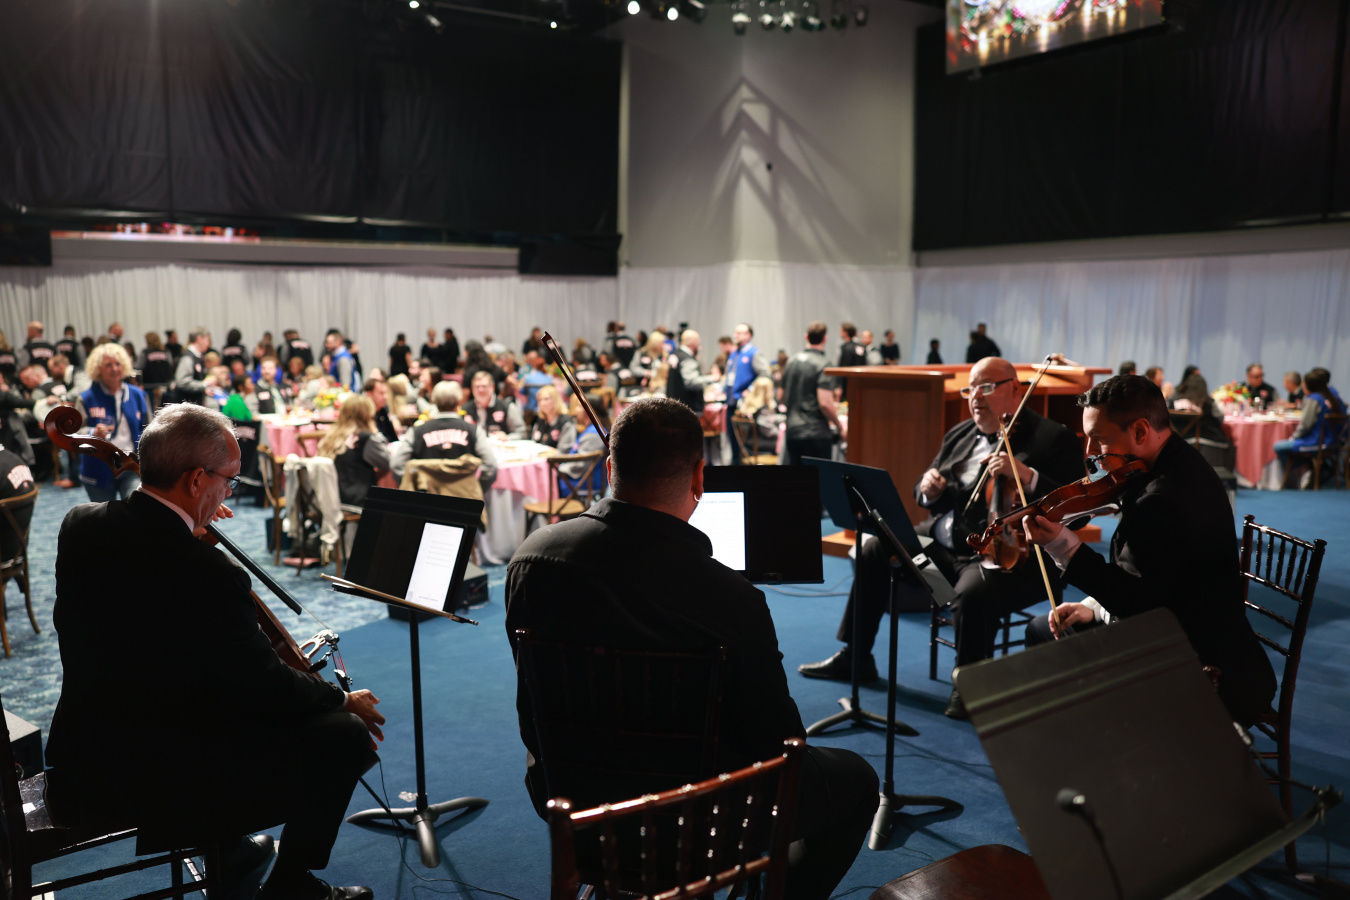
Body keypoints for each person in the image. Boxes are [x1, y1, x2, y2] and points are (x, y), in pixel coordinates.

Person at [506, 397, 877, 900]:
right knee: (858, 782)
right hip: (696, 821)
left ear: (610, 468)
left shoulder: (530, 561)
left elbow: (532, 704)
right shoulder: (732, 598)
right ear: (700, 478)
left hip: (574, 800)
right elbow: (779, 744)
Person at [44, 403, 382, 900]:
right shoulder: (208, 574)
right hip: (158, 775)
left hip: (84, 755)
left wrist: (187, 520)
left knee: (192, 685)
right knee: (345, 735)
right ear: (197, 479)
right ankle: (291, 888)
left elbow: (148, 607)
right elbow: (264, 683)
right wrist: (340, 698)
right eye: (229, 480)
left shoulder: (79, 525)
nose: (230, 492)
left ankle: (233, 851)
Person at [798, 357, 1085, 719]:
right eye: (970, 390)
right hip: (944, 554)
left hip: (1009, 557)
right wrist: (927, 489)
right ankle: (856, 657)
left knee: (971, 592)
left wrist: (1029, 477)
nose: (975, 397)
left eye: (986, 387)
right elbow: (924, 487)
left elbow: (1078, 512)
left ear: (1015, 389)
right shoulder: (961, 434)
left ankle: (969, 685)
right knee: (874, 549)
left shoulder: (1053, 438)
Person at [1021, 375, 1277, 728]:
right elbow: (1155, 579)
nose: (1090, 453)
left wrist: (1063, 546)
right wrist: (1093, 607)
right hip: (1190, 634)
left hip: (1200, 668)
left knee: (1042, 634)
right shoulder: (1176, 460)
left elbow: (1138, 602)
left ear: (1141, 431)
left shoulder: (1163, 497)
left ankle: (1094, 742)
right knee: (1045, 628)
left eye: (1100, 438)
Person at [73, 343, 153, 502]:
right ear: (98, 369)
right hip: (98, 468)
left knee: (134, 508)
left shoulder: (138, 395)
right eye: (108, 365)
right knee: (104, 515)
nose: (114, 369)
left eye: (118, 364)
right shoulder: (86, 398)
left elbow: (150, 430)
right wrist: (93, 432)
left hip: (131, 466)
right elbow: (75, 433)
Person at [389, 381, 497, 491]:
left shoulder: (416, 432)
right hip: (464, 497)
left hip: (427, 497)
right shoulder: (473, 431)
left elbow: (397, 465)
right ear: (459, 401)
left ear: (434, 401)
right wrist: (475, 488)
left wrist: (416, 488)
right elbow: (491, 466)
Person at [781, 321, 844, 466]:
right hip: (816, 433)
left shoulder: (791, 362)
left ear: (806, 337)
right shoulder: (824, 364)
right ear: (825, 339)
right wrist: (839, 426)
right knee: (818, 478)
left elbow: (780, 396)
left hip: (792, 432)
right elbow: (825, 403)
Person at [1272, 368, 1347, 481]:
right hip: (1335, 439)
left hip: (1319, 441)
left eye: (1303, 383)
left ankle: (1302, 471)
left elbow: (1305, 425)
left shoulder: (1314, 399)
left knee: (1278, 446)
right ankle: (1315, 468)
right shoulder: (1331, 395)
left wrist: (1293, 437)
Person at [317, 394, 390, 507]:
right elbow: (388, 463)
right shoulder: (364, 438)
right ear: (367, 416)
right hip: (357, 501)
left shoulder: (331, 436)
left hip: (331, 500)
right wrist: (375, 432)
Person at [724, 323, 770, 464]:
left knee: (742, 442)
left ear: (748, 335)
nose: (735, 335)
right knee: (732, 438)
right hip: (731, 401)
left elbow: (765, 374)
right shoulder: (734, 354)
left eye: (739, 333)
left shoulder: (753, 353)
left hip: (744, 405)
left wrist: (750, 390)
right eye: (735, 332)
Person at [461, 370, 526, 439]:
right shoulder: (464, 409)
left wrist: (507, 437)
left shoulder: (507, 407)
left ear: (492, 387)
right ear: (472, 388)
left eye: (484, 386)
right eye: (477, 386)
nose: (480, 390)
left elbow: (522, 432)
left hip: (500, 445)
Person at [666, 330, 718, 414]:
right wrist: (713, 378)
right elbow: (691, 382)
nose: (699, 347)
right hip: (687, 408)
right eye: (698, 343)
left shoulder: (676, 354)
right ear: (693, 342)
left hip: (674, 405)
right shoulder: (687, 359)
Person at [173, 328, 217, 406]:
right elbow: (182, 382)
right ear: (199, 339)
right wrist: (204, 384)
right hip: (186, 407)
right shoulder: (188, 358)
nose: (208, 344)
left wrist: (204, 390)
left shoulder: (197, 357)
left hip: (193, 406)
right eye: (207, 340)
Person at [527, 385, 576, 449]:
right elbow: (533, 442)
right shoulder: (540, 420)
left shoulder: (566, 422)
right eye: (540, 400)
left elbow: (565, 449)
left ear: (556, 400)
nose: (542, 403)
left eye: (546, 399)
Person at [136, 331, 176, 397]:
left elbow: (139, 366)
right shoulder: (166, 351)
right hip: (165, 384)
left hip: (149, 385)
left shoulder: (145, 353)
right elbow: (171, 365)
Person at [364, 377, 398, 443]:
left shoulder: (383, 409)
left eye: (386, 393)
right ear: (369, 394)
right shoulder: (364, 414)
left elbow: (392, 436)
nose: (385, 397)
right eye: (381, 393)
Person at [519, 350, 553, 414]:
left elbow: (522, 392)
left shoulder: (528, 378)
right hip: (546, 408)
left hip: (532, 410)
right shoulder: (549, 378)